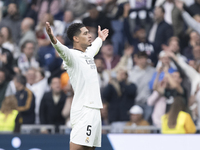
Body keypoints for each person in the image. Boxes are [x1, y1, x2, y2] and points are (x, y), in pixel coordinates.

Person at [46, 20, 109, 149]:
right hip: (84, 109)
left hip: (94, 110)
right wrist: (53, 39)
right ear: (76, 38)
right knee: (77, 147)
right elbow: (61, 49)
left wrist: (100, 39)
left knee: (89, 148)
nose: (89, 35)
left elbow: (94, 47)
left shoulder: (88, 55)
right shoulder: (72, 56)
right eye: (85, 33)